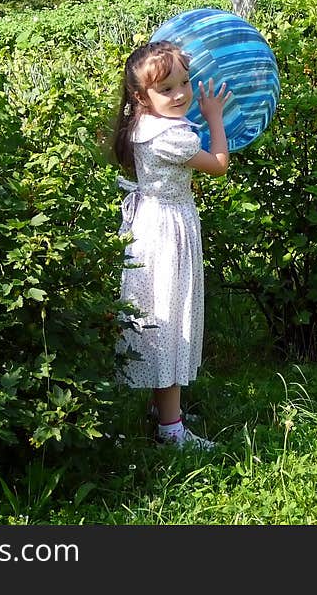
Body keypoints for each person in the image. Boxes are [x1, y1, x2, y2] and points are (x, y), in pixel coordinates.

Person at [111, 40, 231, 451]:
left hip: (153, 224)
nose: (180, 94)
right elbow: (218, 165)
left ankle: (166, 410)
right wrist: (215, 118)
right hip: (169, 229)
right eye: (167, 89)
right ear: (141, 96)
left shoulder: (143, 122)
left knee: (160, 313)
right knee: (171, 317)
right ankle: (171, 433)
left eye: (185, 82)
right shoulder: (171, 138)